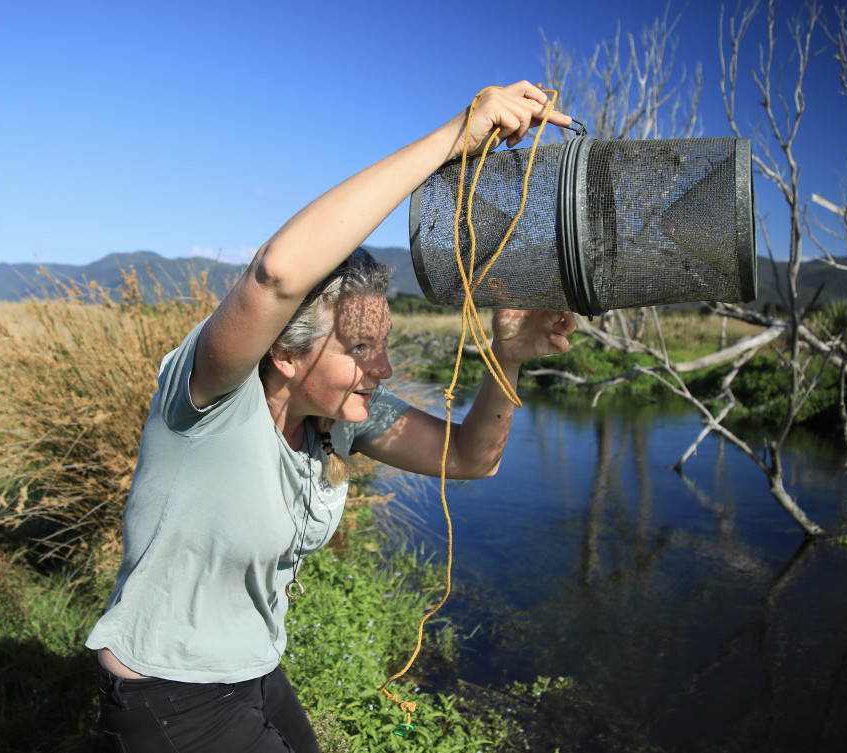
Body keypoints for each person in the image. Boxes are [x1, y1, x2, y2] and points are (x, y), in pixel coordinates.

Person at [86, 81, 577, 753]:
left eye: (384, 347)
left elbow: (471, 456)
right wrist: (454, 137)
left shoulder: (336, 419)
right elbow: (278, 273)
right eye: (359, 348)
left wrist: (509, 356)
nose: (382, 369)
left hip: (254, 669)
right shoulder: (209, 398)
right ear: (285, 355)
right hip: (168, 694)